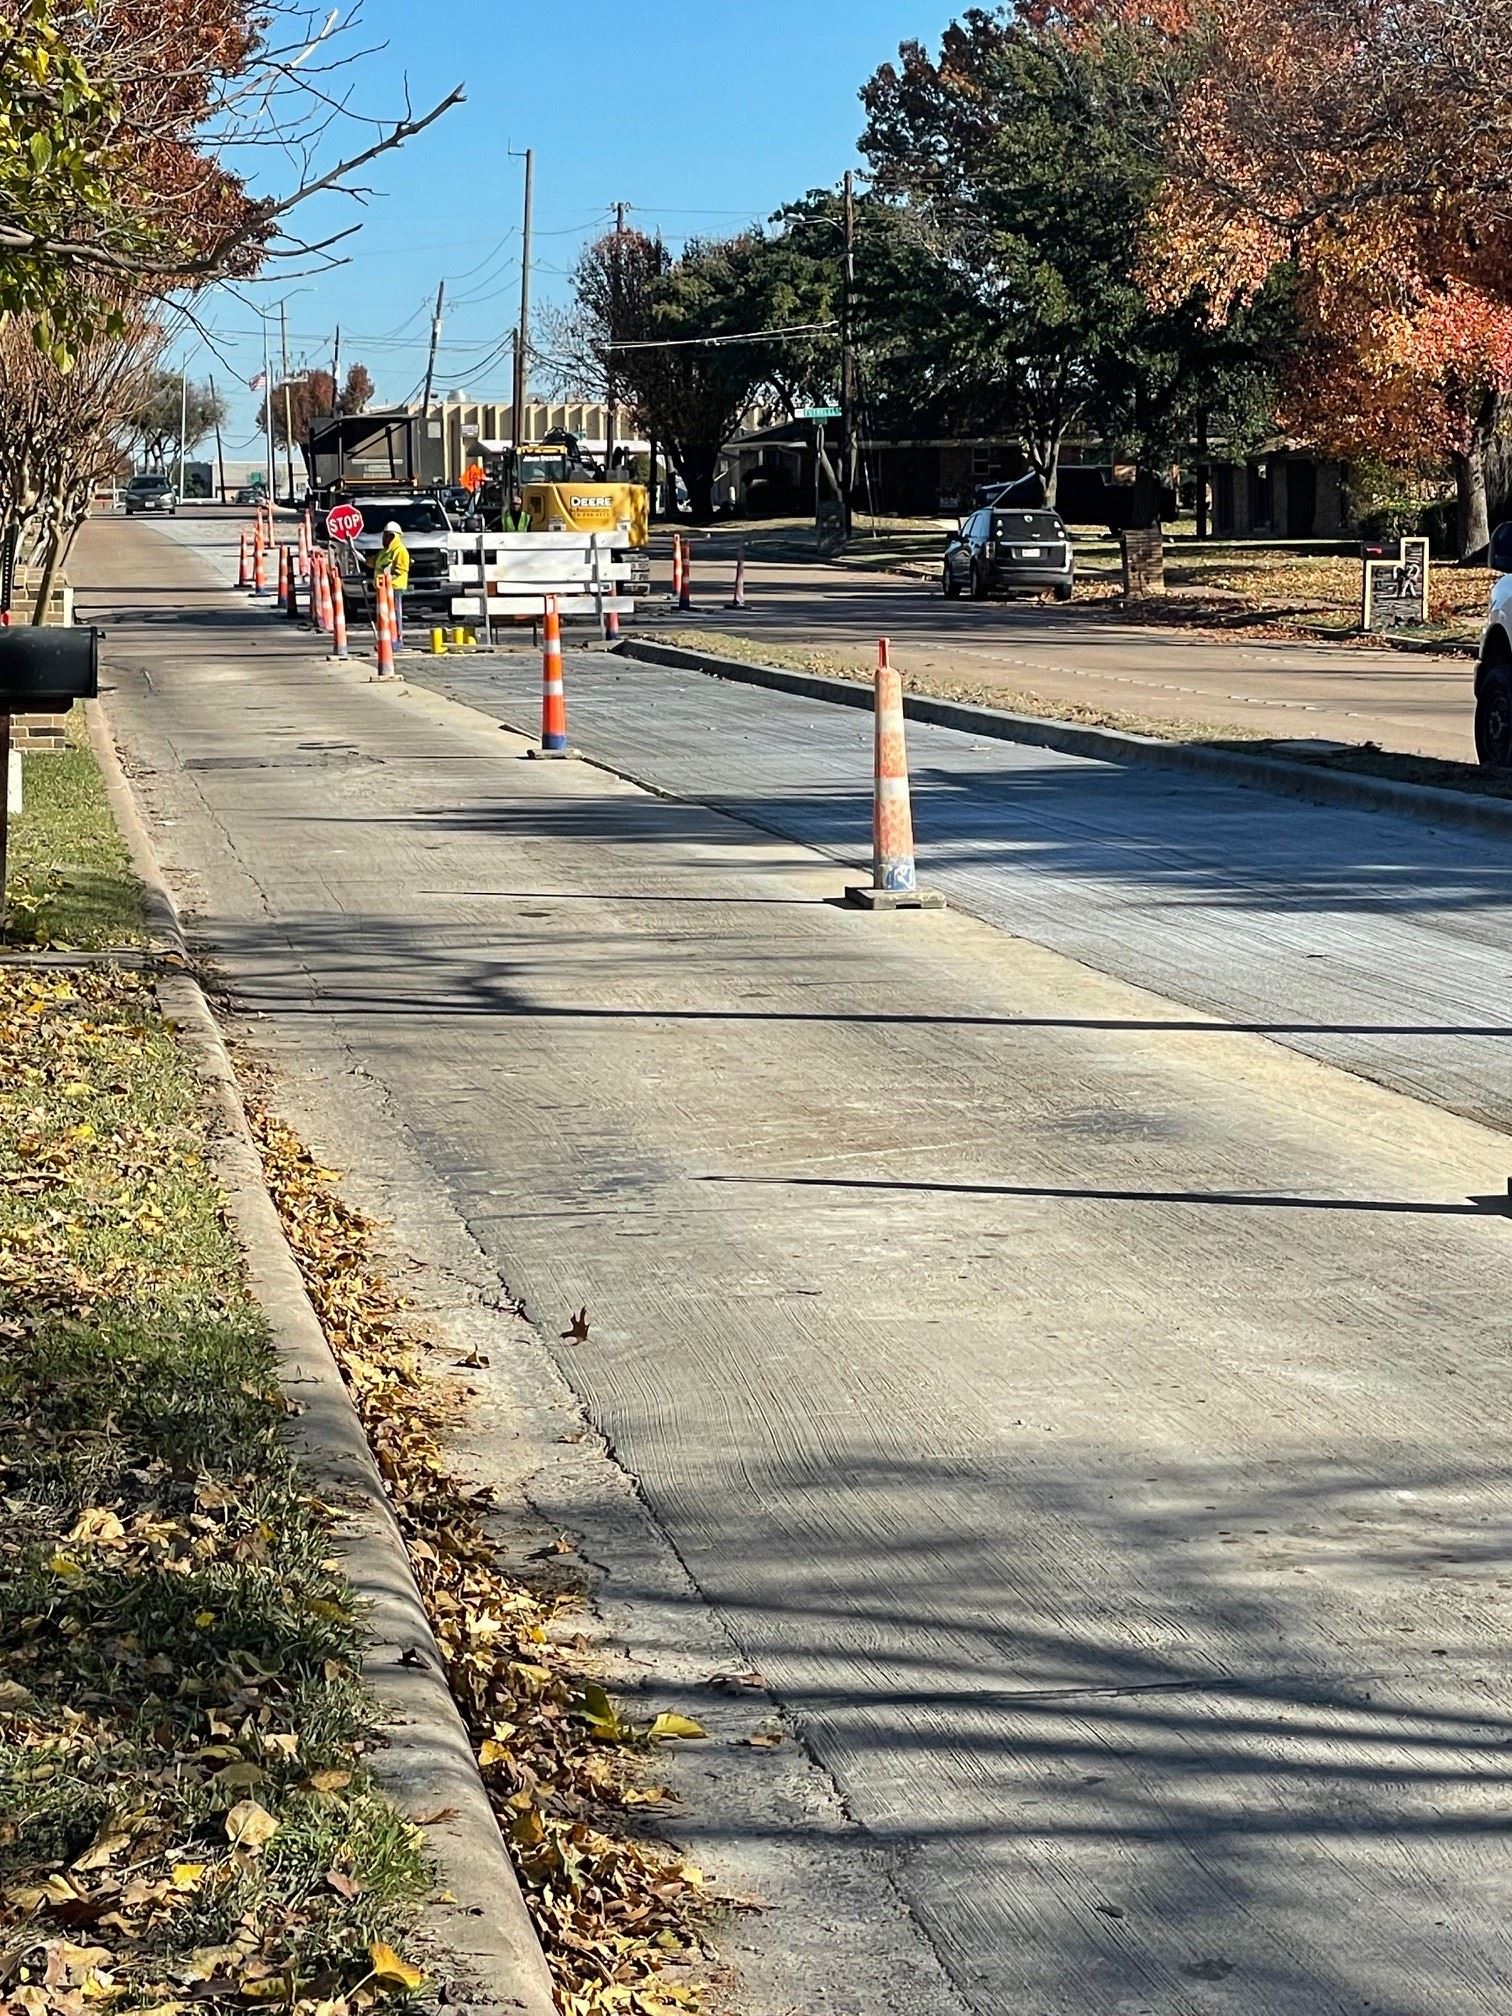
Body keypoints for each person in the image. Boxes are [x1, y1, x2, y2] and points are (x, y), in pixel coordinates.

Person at [374, 520, 410, 647]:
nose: (387, 538)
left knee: (395, 615)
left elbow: (401, 569)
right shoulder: (384, 552)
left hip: (395, 587)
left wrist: (386, 572)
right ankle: (386, 640)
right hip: (383, 588)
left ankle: (396, 641)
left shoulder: (400, 550)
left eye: (390, 535)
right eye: (385, 535)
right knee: (385, 616)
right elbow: (375, 563)